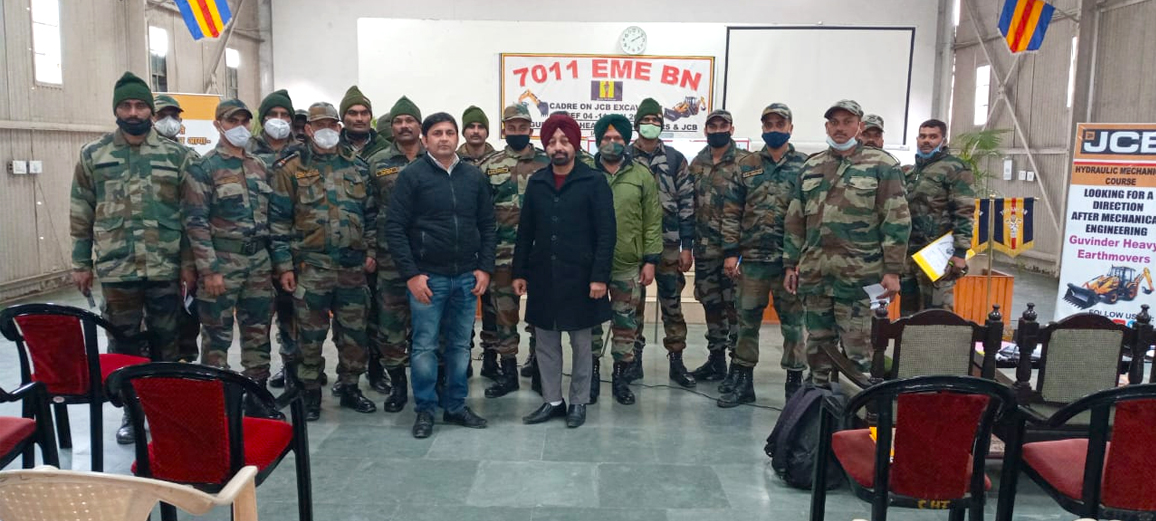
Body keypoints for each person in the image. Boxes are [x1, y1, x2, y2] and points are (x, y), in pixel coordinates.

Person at [70, 72, 196, 444]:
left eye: (140, 105)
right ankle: (132, 411)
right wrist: (81, 263)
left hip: (164, 265)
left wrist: (188, 264)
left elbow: (191, 217)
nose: (133, 112)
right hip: (117, 267)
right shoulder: (94, 155)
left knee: (167, 341)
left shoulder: (177, 155)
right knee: (124, 343)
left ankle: (166, 412)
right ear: (116, 110)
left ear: (150, 111)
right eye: (126, 105)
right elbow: (81, 210)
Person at [783, 100, 911, 386]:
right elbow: (795, 220)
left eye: (847, 122)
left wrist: (893, 271)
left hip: (860, 279)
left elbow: (897, 220)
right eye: (834, 123)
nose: (840, 128)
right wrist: (790, 264)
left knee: (859, 352)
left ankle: (857, 409)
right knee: (817, 348)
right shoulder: (812, 166)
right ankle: (819, 402)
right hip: (816, 276)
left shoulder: (883, 165)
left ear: (859, 126)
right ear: (827, 127)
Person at [384, 112, 496, 439]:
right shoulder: (412, 176)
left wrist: (484, 268)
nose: (444, 138)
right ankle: (425, 409)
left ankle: (456, 405)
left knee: (460, 346)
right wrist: (411, 275)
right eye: (437, 133)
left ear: (457, 137)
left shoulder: (473, 177)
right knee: (424, 347)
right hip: (428, 279)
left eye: (449, 132)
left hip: (466, 277)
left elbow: (488, 225)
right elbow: (395, 228)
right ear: (425, 139)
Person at [269, 102, 378, 421]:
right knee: (309, 336)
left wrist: (371, 251)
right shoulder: (290, 168)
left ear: (339, 128)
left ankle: (350, 387)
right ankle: (310, 392)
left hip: (352, 267)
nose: (327, 130)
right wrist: (284, 266)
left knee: (354, 332)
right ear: (308, 129)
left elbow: (371, 215)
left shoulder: (357, 166)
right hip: (310, 267)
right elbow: (278, 221)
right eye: (320, 125)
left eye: (332, 124)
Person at [513, 112, 615, 428]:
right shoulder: (537, 182)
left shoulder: (594, 181)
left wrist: (599, 277)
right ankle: (553, 401)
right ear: (546, 146)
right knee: (545, 342)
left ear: (575, 145)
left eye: (564, 141)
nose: (558, 147)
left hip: (582, 278)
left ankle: (579, 402)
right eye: (552, 142)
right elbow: (525, 231)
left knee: (582, 344)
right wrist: (519, 272)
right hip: (544, 275)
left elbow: (606, 233)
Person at [182, 99, 281, 418]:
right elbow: (195, 222)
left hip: (259, 262)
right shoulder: (204, 168)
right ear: (218, 125)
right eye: (231, 121)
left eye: (243, 121)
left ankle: (257, 395)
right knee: (217, 335)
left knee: (258, 331)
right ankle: (216, 402)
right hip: (222, 263)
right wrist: (209, 269)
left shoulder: (259, 165)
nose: (239, 127)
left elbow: (272, 216)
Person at [723, 103, 809, 404]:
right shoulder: (746, 164)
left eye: (779, 124)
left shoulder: (805, 166)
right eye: (768, 124)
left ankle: (794, 385)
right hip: (753, 260)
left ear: (790, 128)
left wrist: (800, 260)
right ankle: (744, 382)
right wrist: (731, 252)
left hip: (790, 262)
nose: (774, 129)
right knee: (747, 321)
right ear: (762, 128)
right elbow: (732, 211)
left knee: (793, 324)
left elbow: (812, 214)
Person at [585, 114, 661, 405]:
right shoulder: (585, 173)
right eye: (606, 138)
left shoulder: (641, 175)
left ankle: (620, 377)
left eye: (618, 138)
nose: (612, 143)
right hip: (590, 266)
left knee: (626, 324)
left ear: (627, 141)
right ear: (598, 140)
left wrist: (650, 259)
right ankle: (591, 375)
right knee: (590, 325)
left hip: (627, 264)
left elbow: (652, 220)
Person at [246, 89, 319, 390]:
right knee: (257, 321)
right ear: (262, 119)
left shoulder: (305, 153)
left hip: (294, 249)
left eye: (284, 115)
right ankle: (256, 383)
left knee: (294, 318)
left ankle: (293, 373)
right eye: (273, 115)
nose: (279, 120)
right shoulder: (245, 151)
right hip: (254, 251)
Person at [476, 104, 550, 398]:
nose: (517, 131)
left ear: (530, 129)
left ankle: (540, 369)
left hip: (541, 254)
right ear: (504, 129)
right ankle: (508, 373)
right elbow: (480, 213)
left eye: (522, 127)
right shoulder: (489, 165)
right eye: (512, 127)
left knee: (542, 315)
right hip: (502, 254)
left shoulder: (547, 162)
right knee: (504, 317)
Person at [628, 98, 695, 389]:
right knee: (632, 306)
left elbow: (687, 203)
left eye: (655, 121)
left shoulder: (675, 159)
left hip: (669, 245)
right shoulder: (625, 157)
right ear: (637, 125)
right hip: (634, 245)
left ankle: (677, 361)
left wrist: (687, 246)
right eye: (646, 120)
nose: (651, 125)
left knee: (672, 304)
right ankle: (633, 361)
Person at [337, 85, 394, 395]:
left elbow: (375, 206)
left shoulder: (385, 150)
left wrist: (372, 248)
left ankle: (376, 370)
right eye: (352, 113)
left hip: (378, 247)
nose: (359, 118)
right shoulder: (331, 148)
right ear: (343, 117)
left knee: (376, 316)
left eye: (364, 113)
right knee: (345, 318)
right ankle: (346, 376)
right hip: (342, 251)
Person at [370, 96, 424, 413]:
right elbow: (367, 210)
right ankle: (398, 385)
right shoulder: (378, 163)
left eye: (410, 120)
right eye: (399, 121)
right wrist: (370, 250)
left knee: (428, 324)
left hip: (428, 257)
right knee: (391, 324)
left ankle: (427, 382)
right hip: (389, 257)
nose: (404, 126)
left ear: (419, 125)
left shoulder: (436, 158)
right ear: (392, 127)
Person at [687, 110, 748, 384]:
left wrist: (737, 251)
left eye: (723, 125)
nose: (718, 130)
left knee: (735, 307)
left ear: (731, 129)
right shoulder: (697, 163)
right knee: (710, 304)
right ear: (706, 130)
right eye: (713, 126)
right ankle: (716, 360)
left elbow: (750, 207)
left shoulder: (745, 162)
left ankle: (738, 365)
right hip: (704, 250)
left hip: (734, 251)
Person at [899, 119, 975, 315]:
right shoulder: (911, 172)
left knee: (937, 316)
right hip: (909, 256)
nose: (926, 141)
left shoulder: (955, 168)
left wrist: (960, 252)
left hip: (937, 257)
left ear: (943, 140)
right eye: (923, 136)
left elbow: (964, 212)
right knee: (907, 315)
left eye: (933, 137)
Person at [152, 94, 202, 364]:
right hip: (144, 261)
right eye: (163, 116)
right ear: (152, 118)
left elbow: (196, 212)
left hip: (181, 256)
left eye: (174, 116)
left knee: (185, 321)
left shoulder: (189, 157)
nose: (169, 121)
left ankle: (183, 371)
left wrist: (191, 262)